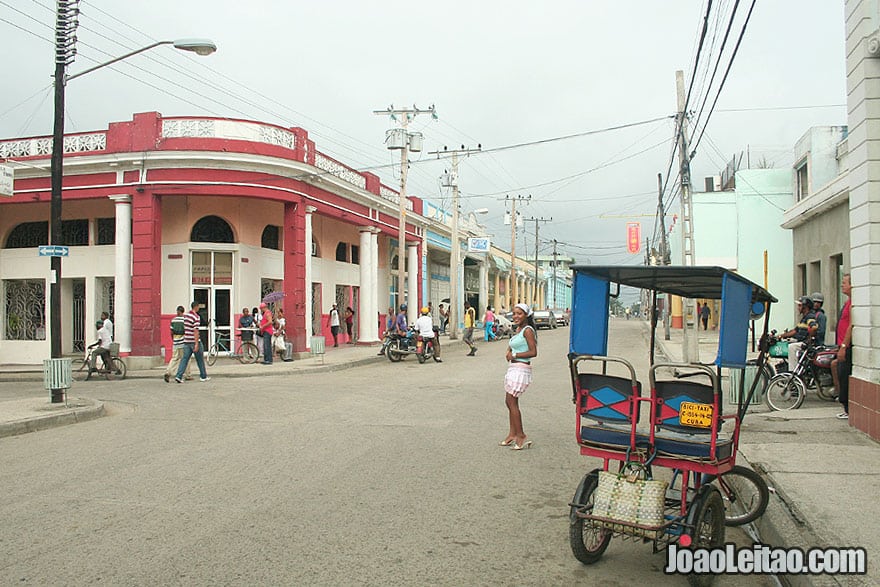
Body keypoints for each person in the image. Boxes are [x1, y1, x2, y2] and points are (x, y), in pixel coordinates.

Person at [500, 303, 538, 451]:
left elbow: (533, 352)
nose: (516, 316)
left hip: (521, 369)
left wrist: (514, 354)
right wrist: (509, 350)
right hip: (514, 367)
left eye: (519, 314)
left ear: (526, 316)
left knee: (512, 401)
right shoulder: (519, 329)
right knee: (509, 402)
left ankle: (521, 435)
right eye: (514, 313)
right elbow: (515, 345)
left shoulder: (528, 330)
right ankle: (512, 434)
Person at [832, 274, 852, 419]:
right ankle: (843, 403)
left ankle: (847, 408)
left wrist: (844, 346)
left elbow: (851, 325)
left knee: (844, 375)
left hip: (847, 346)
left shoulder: (853, 304)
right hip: (841, 345)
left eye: (844, 283)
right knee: (836, 368)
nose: (842, 285)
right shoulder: (847, 302)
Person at [175, 301, 210, 383]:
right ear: (196, 307)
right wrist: (197, 343)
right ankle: (203, 376)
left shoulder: (186, 316)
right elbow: (196, 330)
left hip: (186, 341)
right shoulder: (196, 317)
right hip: (193, 341)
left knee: (184, 359)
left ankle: (179, 376)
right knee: (200, 359)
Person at [780, 296, 819, 372]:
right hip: (801, 342)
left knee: (792, 347)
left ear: (805, 307)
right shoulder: (804, 318)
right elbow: (795, 331)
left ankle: (793, 372)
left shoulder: (810, 316)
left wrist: (809, 339)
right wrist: (780, 336)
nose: (798, 307)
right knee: (789, 343)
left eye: (800, 305)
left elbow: (814, 327)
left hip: (805, 343)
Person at [165, 305, 192, 383]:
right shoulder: (185, 320)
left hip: (175, 342)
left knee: (174, 358)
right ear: (183, 312)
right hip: (184, 342)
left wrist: (173, 340)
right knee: (186, 358)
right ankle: (188, 375)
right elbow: (187, 331)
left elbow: (171, 332)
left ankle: (168, 372)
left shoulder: (173, 320)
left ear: (177, 311)